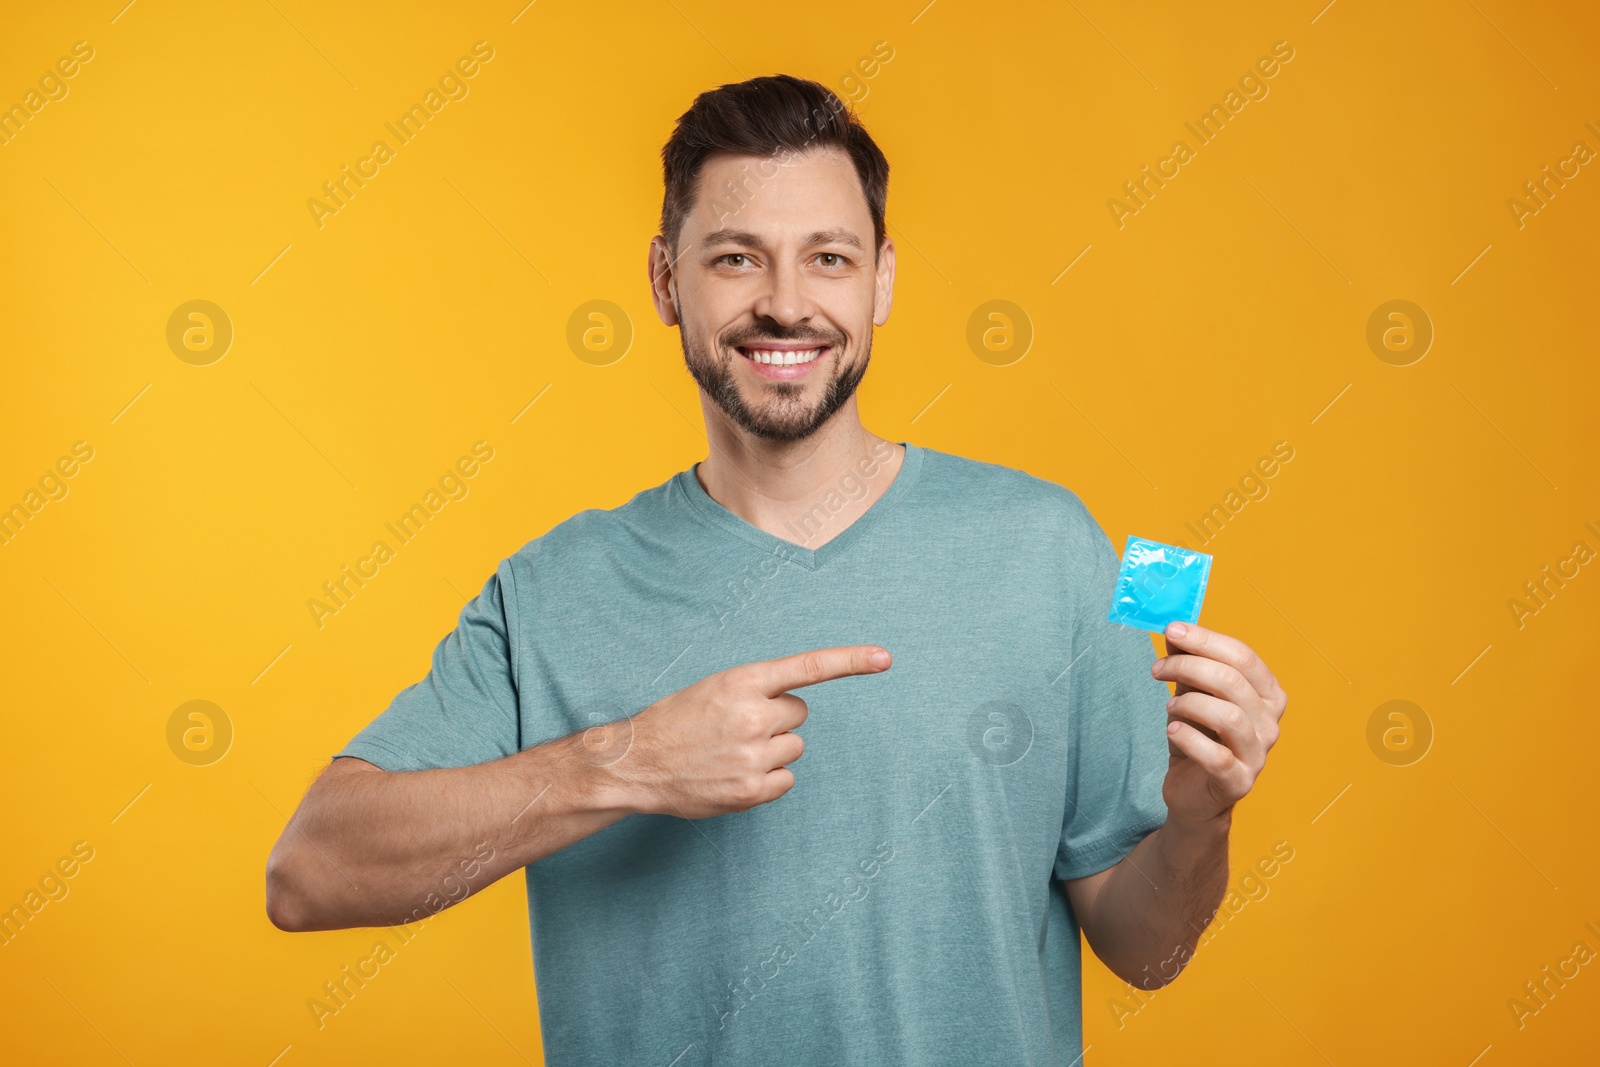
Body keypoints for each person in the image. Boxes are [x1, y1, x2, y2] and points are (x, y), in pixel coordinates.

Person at [265, 73, 1289, 1065]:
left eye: (830, 258)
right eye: (736, 259)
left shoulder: (1052, 547)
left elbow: (1146, 953)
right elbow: (309, 874)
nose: (787, 304)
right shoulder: (554, 590)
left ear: (883, 279)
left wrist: (1202, 816)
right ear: (667, 281)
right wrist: (622, 762)